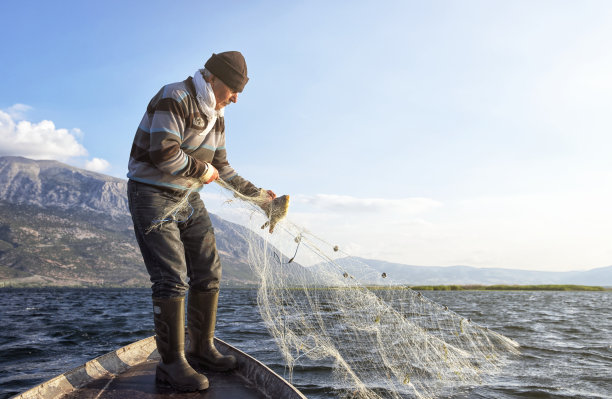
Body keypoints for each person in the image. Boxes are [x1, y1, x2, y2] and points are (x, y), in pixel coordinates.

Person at [126, 51, 276, 391]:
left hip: (187, 197)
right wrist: (202, 170)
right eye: (234, 90)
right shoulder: (175, 96)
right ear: (213, 78)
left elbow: (221, 169)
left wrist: (259, 198)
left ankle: (201, 347)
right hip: (151, 192)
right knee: (171, 277)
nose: (236, 98)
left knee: (209, 271)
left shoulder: (217, 116)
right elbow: (163, 152)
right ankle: (171, 364)